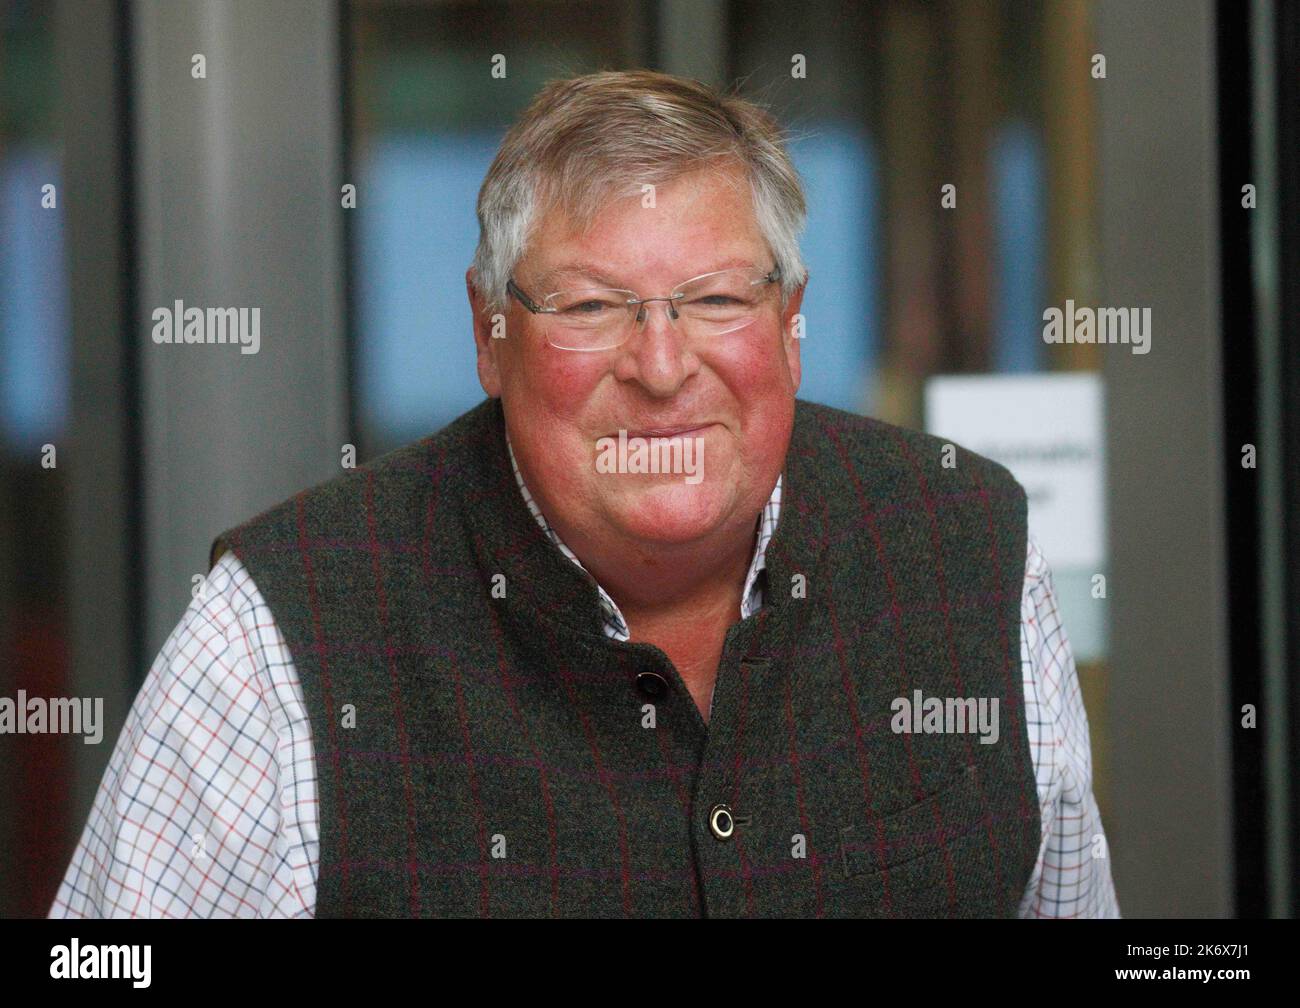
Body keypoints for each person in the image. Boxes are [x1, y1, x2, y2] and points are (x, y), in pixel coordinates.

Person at [52, 69, 1117, 918]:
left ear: (791, 324)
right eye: (592, 306)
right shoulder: (274, 634)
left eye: (712, 299)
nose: (660, 367)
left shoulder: (964, 543)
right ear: (490, 334)